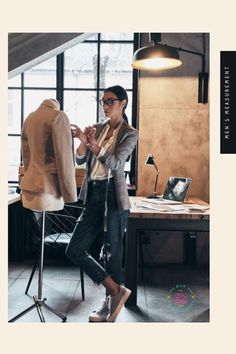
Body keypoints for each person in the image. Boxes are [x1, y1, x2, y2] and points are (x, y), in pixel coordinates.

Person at [66, 85, 138, 322]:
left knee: (112, 254)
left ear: (123, 103)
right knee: (74, 248)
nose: (105, 106)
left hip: (114, 198)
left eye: (110, 101)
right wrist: (83, 141)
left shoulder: (130, 133)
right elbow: (79, 158)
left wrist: (94, 144)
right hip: (94, 194)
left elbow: (116, 163)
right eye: (103, 102)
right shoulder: (97, 128)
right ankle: (115, 290)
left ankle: (109, 303)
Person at [20, 98, 77, 211]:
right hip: (49, 189)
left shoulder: (30, 118)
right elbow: (64, 159)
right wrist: (70, 193)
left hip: (29, 187)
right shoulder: (59, 116)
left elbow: (26, 155)